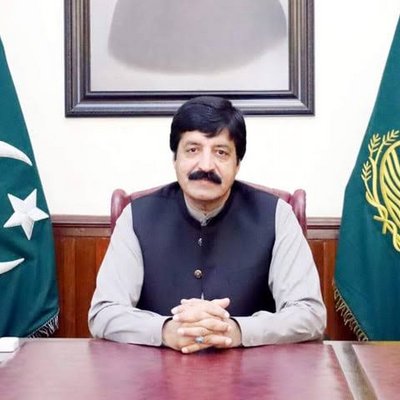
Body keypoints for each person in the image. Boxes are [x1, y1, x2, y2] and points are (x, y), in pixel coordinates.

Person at [88, 96, 326, 354]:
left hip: (254, 372)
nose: (205, 165)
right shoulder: (136, 216)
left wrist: (235, 330)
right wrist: (167, 330)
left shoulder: (277, 215)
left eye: (221, 152)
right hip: (155, 372)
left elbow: (310, 314)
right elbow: (104, 312)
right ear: (175, 159)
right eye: (192, 150)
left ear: (237, 164)